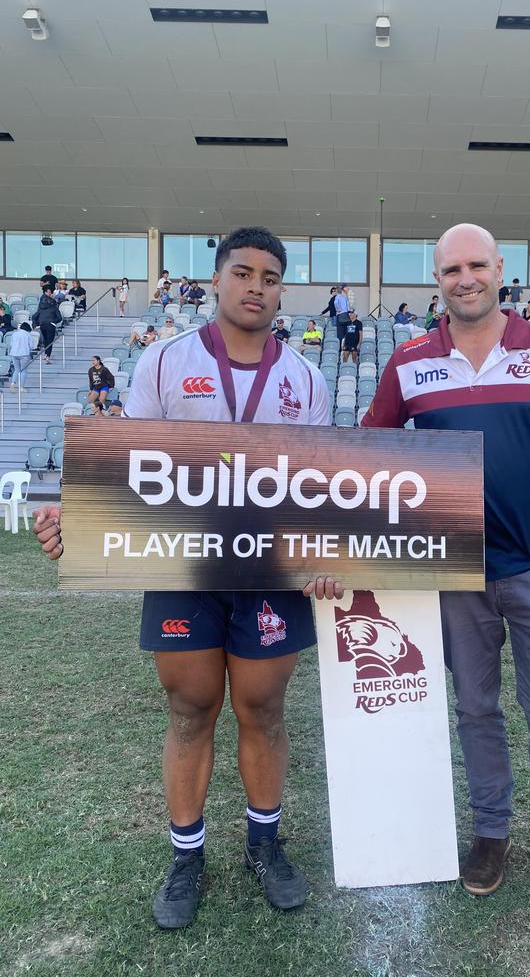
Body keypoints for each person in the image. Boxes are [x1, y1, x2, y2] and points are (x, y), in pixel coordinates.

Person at [33, 226, 341, 931]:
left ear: (280, 289)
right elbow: (132, 467)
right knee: (190, 710)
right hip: (183, 566)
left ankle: (265, 846)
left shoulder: (306, 378)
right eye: (243, 272)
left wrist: (330, 553)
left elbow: (321, 486)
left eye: (269, 276)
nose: (255, 286)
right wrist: (75, 520)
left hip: (270, 573)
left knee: (263, 711)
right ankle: (186, 855)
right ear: (217, 279)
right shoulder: (165, 363)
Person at [362, 223, 530, 932]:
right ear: (435, 280)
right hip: (455, 571)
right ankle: (492, 832)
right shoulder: (410, 360)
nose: (465, 278)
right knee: (475, 710)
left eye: (476, 265)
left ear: (500, 269)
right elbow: (366, 447)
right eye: (451, 269)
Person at [33, 287, 62, 363]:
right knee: (50, 341)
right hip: (50, 325)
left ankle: (45, 354)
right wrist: (53, 321)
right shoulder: (54, 308)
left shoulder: (41, 309)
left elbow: (34, 316)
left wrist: (35, 324)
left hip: (42, 325)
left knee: (46, 340)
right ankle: (47, 356)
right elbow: (60, 318)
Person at [9, 322, 32, 393]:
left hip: (14, 354)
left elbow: (11, 344)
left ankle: (13, 383)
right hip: (24, 354)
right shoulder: (28, 335)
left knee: (17, 370)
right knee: (23, 370)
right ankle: (21, 387)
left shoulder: (14, 334)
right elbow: (32, 346)